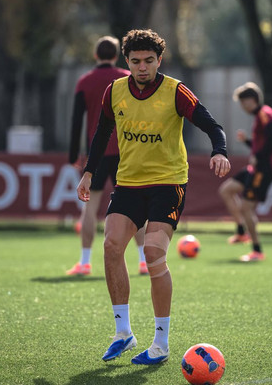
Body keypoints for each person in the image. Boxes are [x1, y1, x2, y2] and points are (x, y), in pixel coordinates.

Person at [76, 29, 230, 365]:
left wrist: (219, 150)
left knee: (154, 254)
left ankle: (160, 344)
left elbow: (213, 125)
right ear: (126, 61)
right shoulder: (115, 91)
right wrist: (89, 172)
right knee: (111, 246)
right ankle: (123, 333)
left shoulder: (175, 91)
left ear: (159, 60)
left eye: (149, 60)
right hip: (129, 184)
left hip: (167, 183)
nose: (142, 67)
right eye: (136, 61)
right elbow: (102, 132)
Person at [66, 36, 147, 276]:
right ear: (117, 55)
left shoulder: (85, 81)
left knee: (89, 207)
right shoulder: (127, 78)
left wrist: (73, 154)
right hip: (127, 150)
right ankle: (143, 261)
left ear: (95, 55)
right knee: (135, 205)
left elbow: (76, 120)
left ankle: (85, 262)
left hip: (97, 152)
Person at [219, 82, 272, 262]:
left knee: (246, 208)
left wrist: (259, 156)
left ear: (251, 100)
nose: (242, 106)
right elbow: (262, 143)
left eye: (242, 102)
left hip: (264, 169)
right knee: (226, 190)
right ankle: (241, 232)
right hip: (256, 167)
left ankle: (257, 250)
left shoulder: (265, 114)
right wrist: (247, 141)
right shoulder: (260, 116)